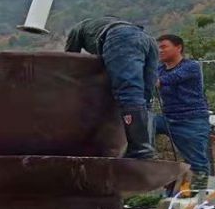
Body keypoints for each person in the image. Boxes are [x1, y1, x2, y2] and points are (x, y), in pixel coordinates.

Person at [65, 16, 159, 160]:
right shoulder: (109, 22)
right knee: (145, 99)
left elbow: (69, 59)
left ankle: (141, 150)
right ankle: (147, 150)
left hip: (120, 38)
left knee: (129, 93)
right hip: (147, 39)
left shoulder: (78, 28)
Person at [155, 34, 211, 191]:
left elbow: (172, 78)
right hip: (168, 118)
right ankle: (145, 156)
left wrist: (154, 81)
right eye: (158, 48)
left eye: (164, 46)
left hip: (192, 120)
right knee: (142, 122)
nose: (160, 50)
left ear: (178, 47)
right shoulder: (159, 69)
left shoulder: (191, 66)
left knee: (198, 163)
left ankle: (197, 197)